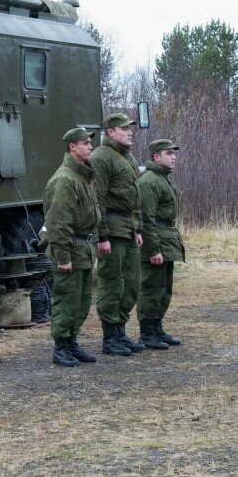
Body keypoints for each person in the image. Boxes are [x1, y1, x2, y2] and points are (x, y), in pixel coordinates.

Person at [42, 128, 101, 367]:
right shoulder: (64, 179)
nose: (90, 147)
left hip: (83, 248)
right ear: (72, 147)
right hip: (71, 249)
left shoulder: (83, 177)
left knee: (82, 301)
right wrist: (63, 256)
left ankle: (72, 341)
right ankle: (61, 347)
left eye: (90, 143)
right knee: (67, 299)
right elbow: (58, 222)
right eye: (85, 143)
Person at [90, 113, 146, 356]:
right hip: (112, 227)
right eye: (124, 128)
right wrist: (101, 235)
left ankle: (120, 332)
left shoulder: (128, 157)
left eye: (130, 128)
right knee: (113, 282)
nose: (129, 131)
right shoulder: (101, 157)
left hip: (129, 227)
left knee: (131, 283)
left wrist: (139, 227)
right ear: (110, 132)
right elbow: (98, 199)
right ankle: (110, 337)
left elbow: (136, 196)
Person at [136, 139, 185, 349]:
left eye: (174, 153)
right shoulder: (149, 181)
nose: (173, 157)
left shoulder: (163, 179)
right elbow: (147, 219)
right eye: (168, 153)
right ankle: (147, 333)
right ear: (156, 157)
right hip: (156, 239)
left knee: (164, 288)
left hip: (166, 236)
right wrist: (153, 249)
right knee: (151, 287)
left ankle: (157, 328)